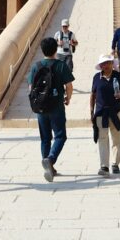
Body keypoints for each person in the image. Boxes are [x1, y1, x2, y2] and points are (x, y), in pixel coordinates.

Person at [28, 37, 74, 182]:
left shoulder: (36, 66)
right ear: (56, 49)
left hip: (41, 107)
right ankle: (51, 159)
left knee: (45, 138)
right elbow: (69, 86)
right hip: (56, 106)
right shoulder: (61, 65)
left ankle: (48, 165)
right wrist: (68, 98)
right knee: (60, 136)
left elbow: (31, 88)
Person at [90, 54, 120, 176]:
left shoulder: (118, 76)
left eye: (108, 63)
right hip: (101, 112)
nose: (106, 65)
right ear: (100, 66)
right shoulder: (96, 77)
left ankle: (115, 163)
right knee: (102, 139)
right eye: (103, 63)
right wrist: (91, 111)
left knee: (116, 138)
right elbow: (93, 95)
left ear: (112, 64)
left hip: (116, 112)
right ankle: (104, 166)